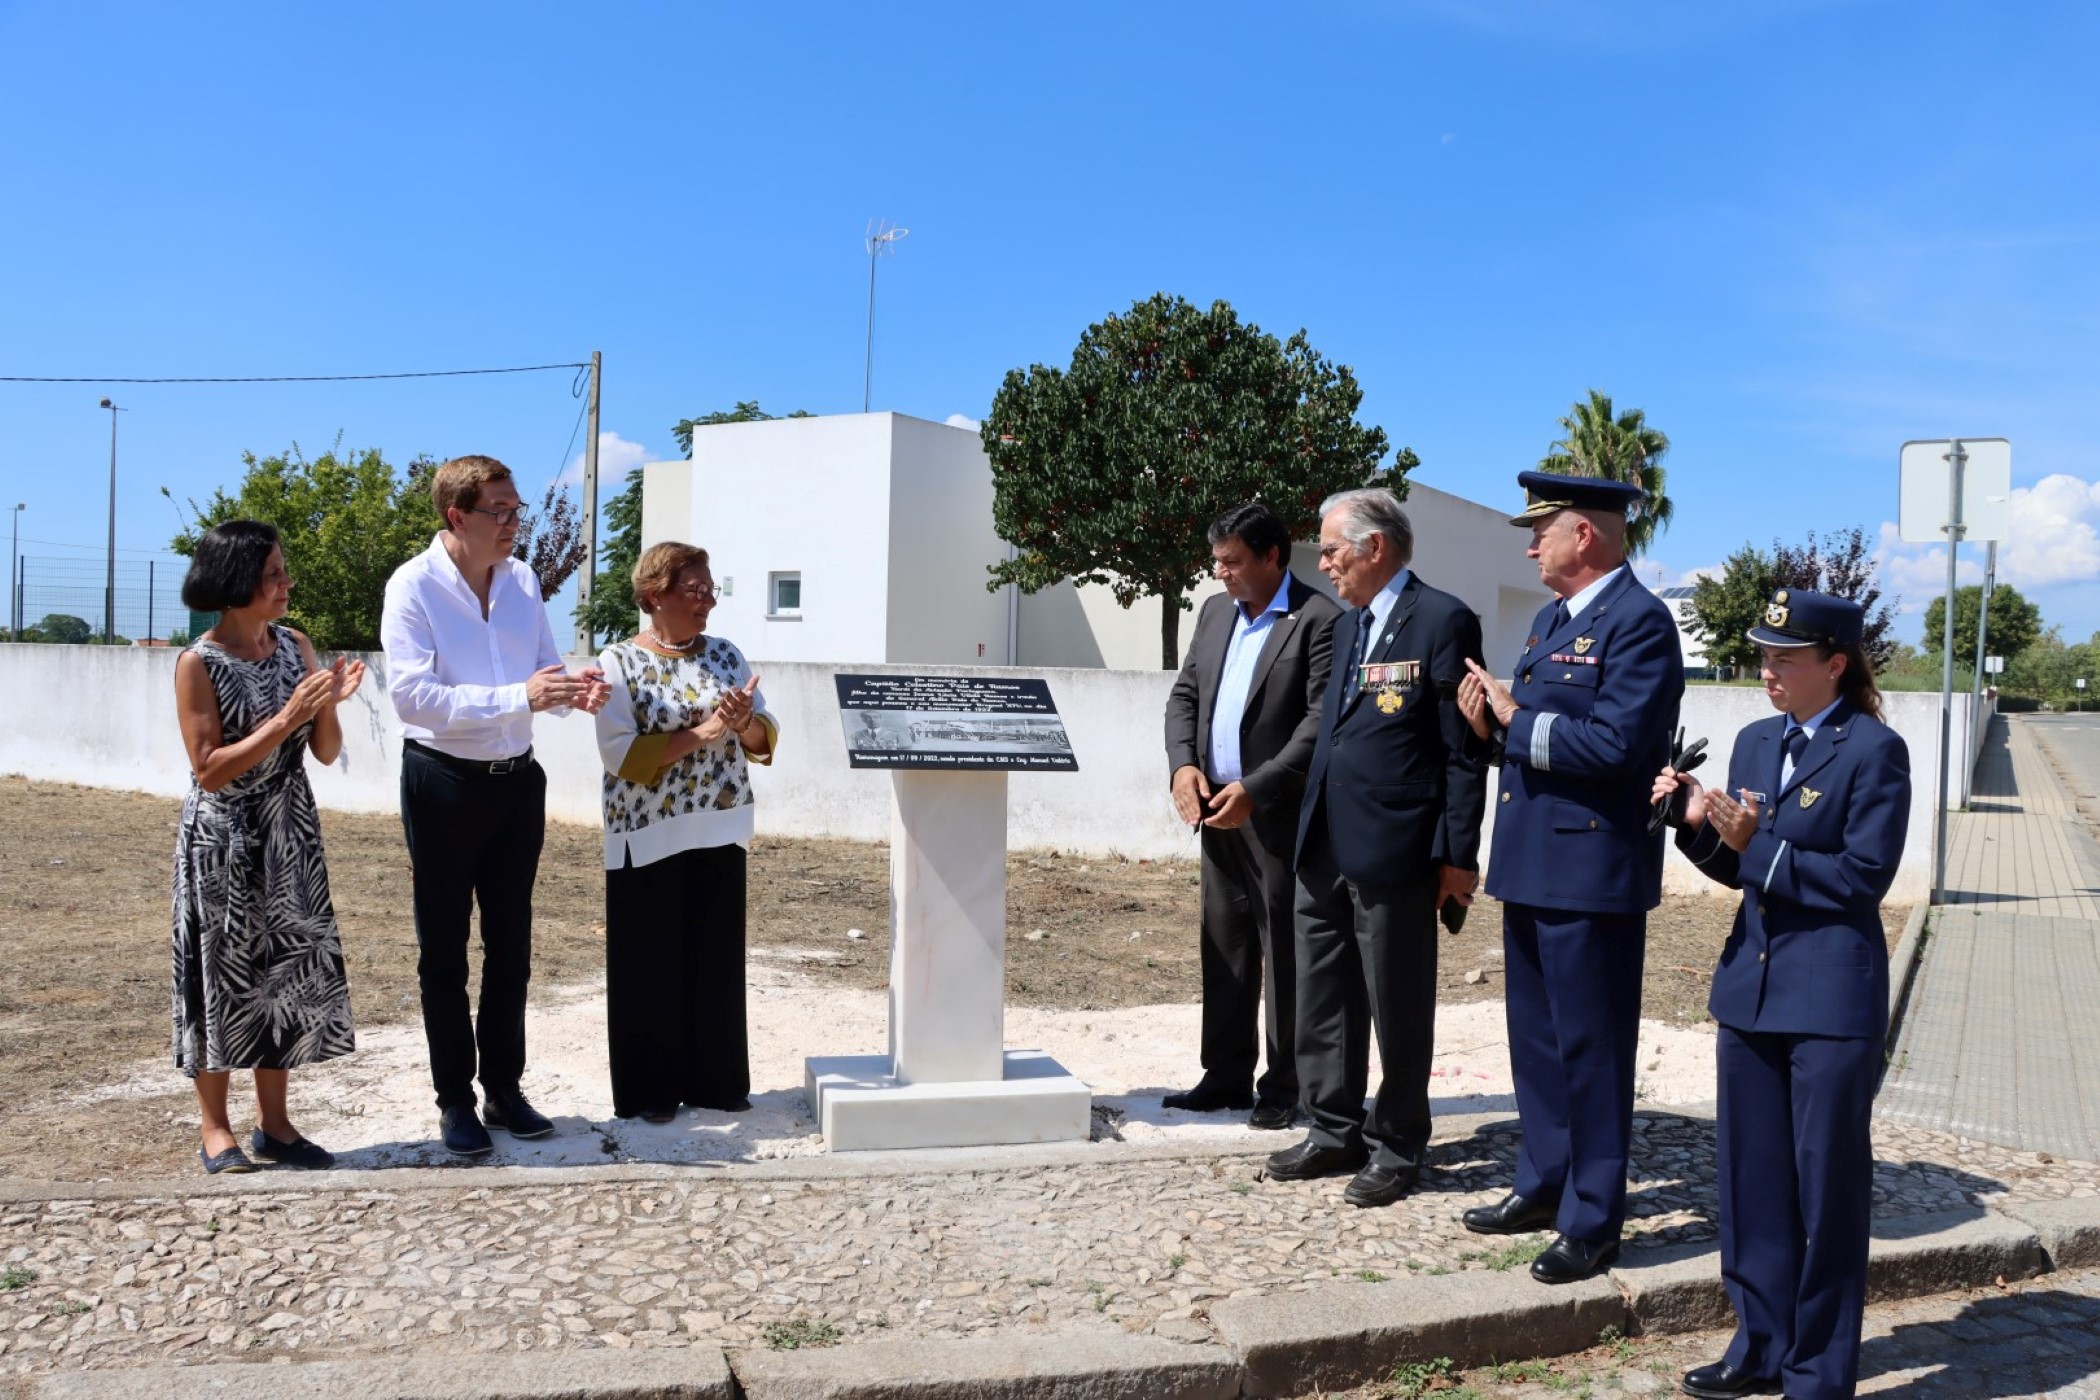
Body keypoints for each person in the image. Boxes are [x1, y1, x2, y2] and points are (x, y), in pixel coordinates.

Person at [1653, 590, 1909, 1400]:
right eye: (1764, 655)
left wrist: (1756, 846)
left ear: (1834, 664)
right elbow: (1742, 869)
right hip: (1752, 992)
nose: (1767, 670)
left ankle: (1819, 1372)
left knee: (1826, 1192)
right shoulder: (1757, 740)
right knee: (1752, 1182)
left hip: (1830, 998)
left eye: (1785, 658)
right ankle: (1760, 1345)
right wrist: (1692, 822)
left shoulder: (1875, 750)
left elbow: (1862, 879)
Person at [1456, 471, 1684, 1282]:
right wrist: (1491, 728)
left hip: (1591, 871)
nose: (1530, 548)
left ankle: (1593, 1219)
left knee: (1591, 1050)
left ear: (1582, 535)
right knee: (1538, 1044)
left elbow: (1619, 748)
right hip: (1533, 862)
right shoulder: (1553, 618)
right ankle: (1545, 1182)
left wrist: (1515, 719)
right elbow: (1537, 741)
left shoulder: (1640, 623)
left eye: (1539, 532)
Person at [1264, 488, 1488, 1207]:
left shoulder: (1442, 619)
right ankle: (1333, 1128)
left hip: (1397, 848)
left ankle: (1398, 1143)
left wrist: (1458, 854)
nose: (1325, 563)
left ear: (1375, 547)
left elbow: (1462, 752)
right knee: (1321, 992)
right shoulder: (1347, 625)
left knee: (1397, 1001)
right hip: (1325, 840)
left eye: (1333, 550)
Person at [380, 455, 608, 1158]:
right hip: (442, 781)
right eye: (499, 512)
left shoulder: (523, 581)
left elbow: (542, 672)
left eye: (516, 511)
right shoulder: (413, 586)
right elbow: (413, 699)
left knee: (511, 946)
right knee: (444, 951)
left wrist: (574, 692)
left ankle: (504, 1089)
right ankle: (455, 1100)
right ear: (458, 516)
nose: (513, 524)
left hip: (517, 783)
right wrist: (520, 697)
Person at [170, 521, 363, 1173]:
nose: (287, 583)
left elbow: (326, 751)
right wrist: (287, 717)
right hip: (225, 836)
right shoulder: (198, 662)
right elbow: (209, 769)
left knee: (282, 974)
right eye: (273, 573)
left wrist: (327, 705)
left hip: (288, 830)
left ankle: (275, 1125)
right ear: (236, 581)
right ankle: (215, 1128)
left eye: (284, 570)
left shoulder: (295, 645)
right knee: (222, 973)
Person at [1161, 501, 1341, 1129]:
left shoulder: (1319, 619)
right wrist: (1183, 766)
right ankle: (1225, 1075)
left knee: (1284, 950)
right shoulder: (1216, 613)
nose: (1221, 573)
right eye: (1217, 561)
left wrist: (1257, 790)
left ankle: (1286, 1087)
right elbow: (1185, 695)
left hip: (1278, 815)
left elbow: (1319, 723)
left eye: (1232, 561)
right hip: (1215, 807)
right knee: (1225, 943)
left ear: (1271, 557)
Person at [593, 542, 776, 1121]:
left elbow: (763, 737)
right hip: (646, 833)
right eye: (694, 591)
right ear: (654, 596)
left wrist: (744, 724)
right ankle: (649, 1092)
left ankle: (715, 1084)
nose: (707, 602)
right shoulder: (618, 661)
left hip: (719, 826)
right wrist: (705, 732)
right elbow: (619, 755)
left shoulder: (726, 653)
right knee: (648, 967)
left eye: (710, 590)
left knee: (715, 962)